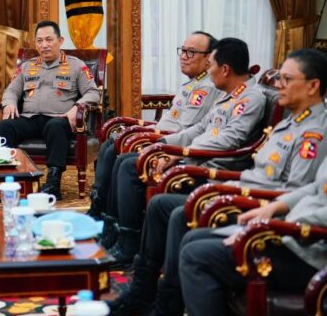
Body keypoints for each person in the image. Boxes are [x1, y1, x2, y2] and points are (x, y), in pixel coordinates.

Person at [109, 49, 327, 315]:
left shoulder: (315, 134)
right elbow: (307, 189)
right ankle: (147, 295)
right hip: (260, 204)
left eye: (287, 79)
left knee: (190, 239)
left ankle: (164, 305)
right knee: (169, 213)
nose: (279, 84)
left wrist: (266, 217)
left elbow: (294, 191)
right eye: (279, 78)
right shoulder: (291, 122)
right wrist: (173, 149)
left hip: (291, 233)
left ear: (313, 86)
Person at [106, 38, 267, 266]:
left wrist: (181, 153)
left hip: (213, 170)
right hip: (194, 160)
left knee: (132, 167)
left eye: (211, 65)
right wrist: (164, 143)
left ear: (225, 69)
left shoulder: (250, 99)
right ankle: (117, 232)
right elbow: (199, 128)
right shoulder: (228, 93)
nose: (209, 71)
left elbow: (230, 140)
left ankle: (130, 243)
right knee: (129, 160)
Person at [88, 31, 221, 219]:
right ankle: (101, 208)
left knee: (118, 154)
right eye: (182, 50)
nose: (183, 56)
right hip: (161, 136)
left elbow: (182, 129)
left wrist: (146, 133)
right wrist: (143, 130)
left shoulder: (205, 87)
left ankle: (108, 216)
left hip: (171, 144)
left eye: (191, 52)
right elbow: (170, 121)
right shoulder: (194, 83)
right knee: (111, 143)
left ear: (208, 59)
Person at [180, 147, 327, 316]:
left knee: (195, 256)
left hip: (311, 252)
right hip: (292, 235)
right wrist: (273, 208)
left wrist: (275, 227)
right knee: (193, 237)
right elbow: (316, 187)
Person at [0, 20, 100, 199]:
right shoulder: (27, 66)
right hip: (30, 119)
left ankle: (53, 183)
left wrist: (77, 107)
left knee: (55, 126)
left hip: (59, 119)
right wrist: (9, 103)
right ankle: (8, 181)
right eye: (40, 41)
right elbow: (11, 90)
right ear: (35, 44)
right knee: (5, 126)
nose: (44, 45)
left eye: (49, 40)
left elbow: (93, 93)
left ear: (60, 40)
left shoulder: (76, 65)